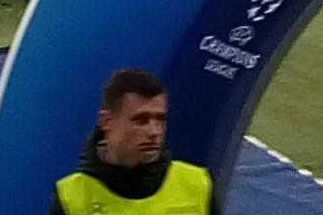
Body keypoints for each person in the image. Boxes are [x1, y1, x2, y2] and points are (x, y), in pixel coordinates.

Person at [49, 69, 215, 215]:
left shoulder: (197, 184)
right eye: (141, 120)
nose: (154, 132)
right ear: (106, 121)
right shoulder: (71, 197)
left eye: (160, 119)